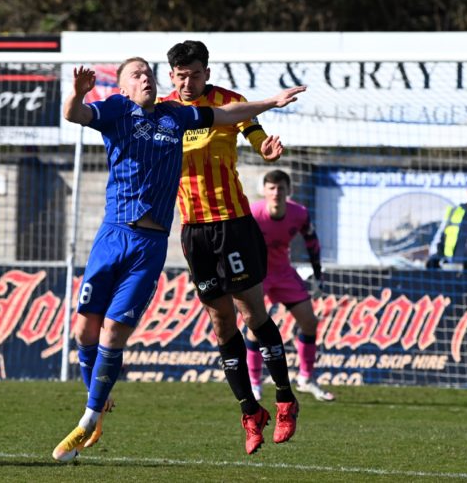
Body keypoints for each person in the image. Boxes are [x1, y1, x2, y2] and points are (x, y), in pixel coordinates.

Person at [52, 59, 306, 462]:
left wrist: (270, 102)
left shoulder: (175, 116)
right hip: (114, 233)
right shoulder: (117, 110)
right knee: (84, 329)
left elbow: (225, 114)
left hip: (154, 242)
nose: (145, 77)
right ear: (123, 87)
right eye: (137, 74)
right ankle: (97, 398)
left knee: (114, 332)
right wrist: (79, 92)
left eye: (148, 72)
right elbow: (74, 114)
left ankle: (89, 418)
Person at [162, 40, 299, 455]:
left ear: (207, 72)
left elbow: (253, 130)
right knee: (221, 324)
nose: (188, 82)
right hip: (194, 232)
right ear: (171, 76)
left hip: (233, 226)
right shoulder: (164, 111)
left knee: (252, 312)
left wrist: (265, 148)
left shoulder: (228, 102)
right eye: (181, 75)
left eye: (195, 74)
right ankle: (250, 412)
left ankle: (286, 399)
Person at [247, 169, 335, 402]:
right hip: (258, 275)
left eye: (281, 188)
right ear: (264, 191)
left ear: (289, 191)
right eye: (272, 188)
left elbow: (312, 242)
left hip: (284, 273)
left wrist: (317, 275)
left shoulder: (299, 213)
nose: (276, 193)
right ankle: (254, 384)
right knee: (255, 328)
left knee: (309, 322)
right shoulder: (252, 214)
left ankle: (305, 378)